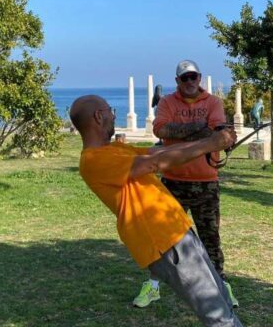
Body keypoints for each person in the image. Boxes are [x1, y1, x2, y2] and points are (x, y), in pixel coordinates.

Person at [70, 95, 242, 327]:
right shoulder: (92, 160)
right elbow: (153, 164)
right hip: (164, 241)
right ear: (99, 116)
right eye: (110, 110)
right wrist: (210, 145)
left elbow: (155, 153)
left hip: (177, 232)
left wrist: (211, 140)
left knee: (220, 298)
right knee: (217, 315)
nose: (113, 115)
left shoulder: (115, 150)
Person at [133, 59, 238, 309]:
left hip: (206, 183)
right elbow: (161, 131)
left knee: (211, 238)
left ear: (199, 78)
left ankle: (222, 287)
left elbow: (217, 134)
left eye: (194, 77)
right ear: (177, 81)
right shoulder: (168, 102)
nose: (190, 82)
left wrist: (183, 131)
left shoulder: (213, 102)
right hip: (172, 182)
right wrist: (203, 130)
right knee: (163, 238)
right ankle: (154, 285)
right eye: (185, 78)